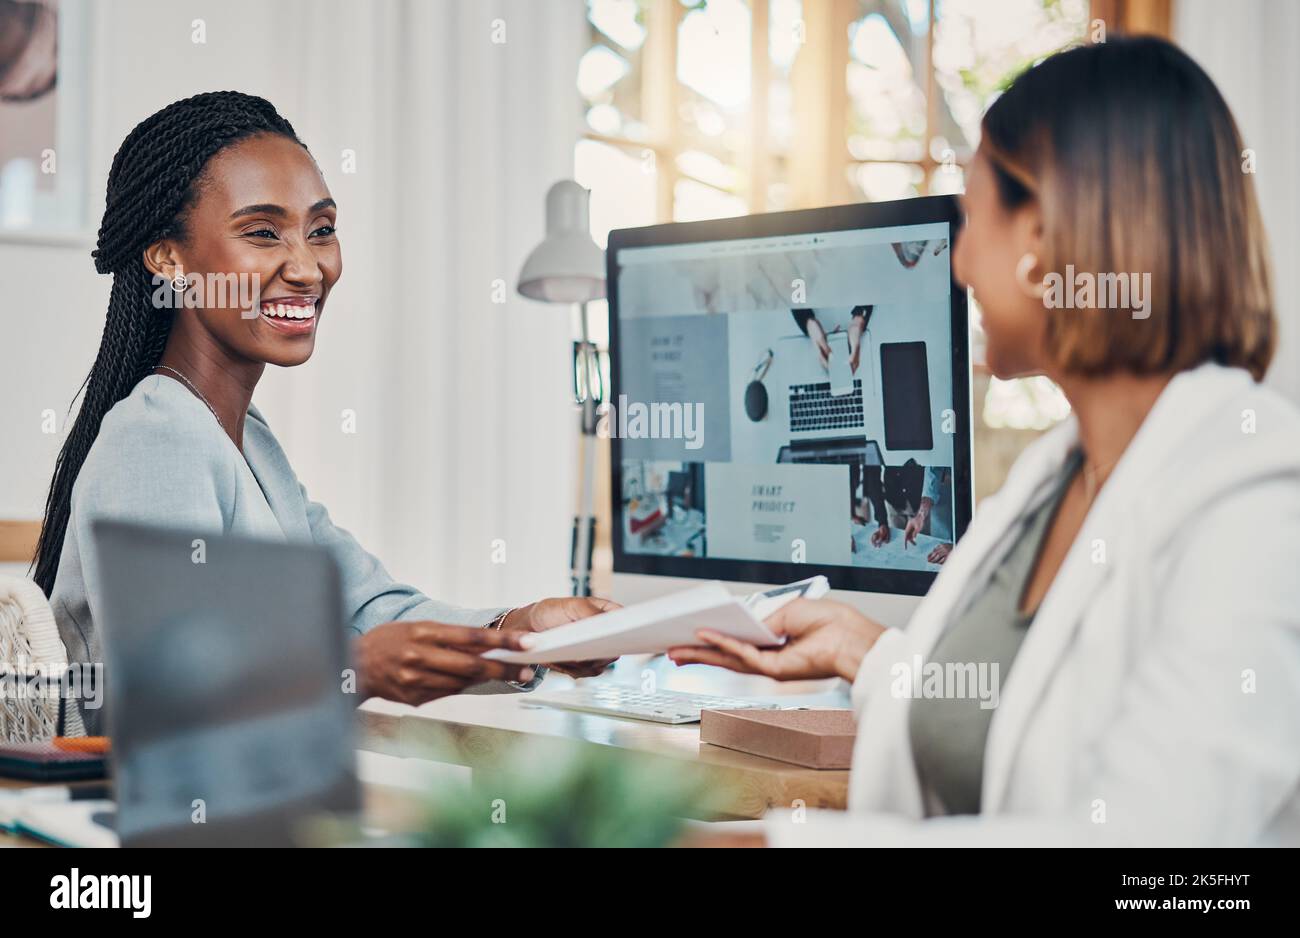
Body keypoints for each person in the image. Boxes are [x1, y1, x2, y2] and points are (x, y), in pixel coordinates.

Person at [670, 37, 1300, 846]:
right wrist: (865, 651)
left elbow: (1158, 859)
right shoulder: (1053, 478)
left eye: (972, 219)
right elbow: (1010, 720)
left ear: (1044, 231)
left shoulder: (1257, 498)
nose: (960, 264)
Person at [32, 92, 612, 735]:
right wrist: (356, 669)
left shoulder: (246, 443)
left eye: (322, 230)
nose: (308, 268)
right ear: (168, 258)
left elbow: (371, 608)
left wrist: (519, 631)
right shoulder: (153, 438)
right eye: (262, 232)